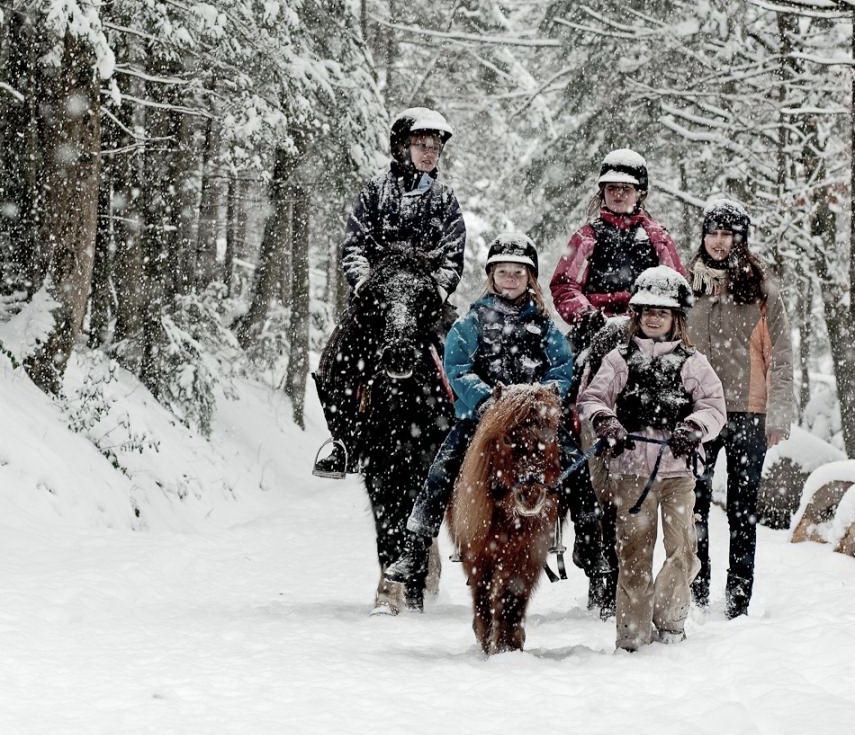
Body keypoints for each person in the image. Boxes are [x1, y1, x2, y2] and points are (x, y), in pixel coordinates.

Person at [383, 233, 579, 587]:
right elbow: (457, 368)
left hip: (534, 420)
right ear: (491, 276)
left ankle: (593, 543)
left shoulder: (544, 326)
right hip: (480, 419)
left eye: (518, 274)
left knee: (575, 463)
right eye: (503, 273)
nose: (511, 280)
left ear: (530, 279)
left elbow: (562, 369)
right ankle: (415, 546)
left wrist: (544, 398)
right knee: (441, 471)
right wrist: (486, 400)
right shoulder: (470, 324)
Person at [578, 266, 726, 652]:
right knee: (633, 553)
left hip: (678, 474)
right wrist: (606, 421)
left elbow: (714, 407)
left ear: (676, 317)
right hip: (630, 474)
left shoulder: (694, 363)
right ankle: (631, 633)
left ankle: (671, 618)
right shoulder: (618, 359)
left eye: (662, 312)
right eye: (646, 311)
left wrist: (694, 427)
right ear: (636, 315)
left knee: (683, 549)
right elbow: (592, 398)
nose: (654, 318)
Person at [312, 107, 466, 478]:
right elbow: (353, 247)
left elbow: (453, 256)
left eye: (435, 147)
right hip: (377, 301)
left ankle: (459, 441)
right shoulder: (375, 193)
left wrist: (439, 291)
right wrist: (364, 285)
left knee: (462, 355)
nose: (429, 152)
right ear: (402, 146)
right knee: (335, 361)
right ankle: (344, 442)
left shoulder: (445, 200)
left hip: (426, 302)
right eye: (421, 144)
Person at [686, 199, 795, 618]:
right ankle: (696, 590)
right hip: (698, 414)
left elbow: (781, 356)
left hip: (750, 413)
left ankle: (738, 598)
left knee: (741, 510)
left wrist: (778, 413)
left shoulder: (762, 291)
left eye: (727, 233)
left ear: (740, 239)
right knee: (693, 506)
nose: (719, 241)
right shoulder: (686, 286)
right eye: (713, 232)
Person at [550, 148, 686, 353]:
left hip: (647, 333)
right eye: (612, 188)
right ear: (602, 192)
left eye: (626, 189)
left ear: (640, 193)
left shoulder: (658, 238)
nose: (618, 194)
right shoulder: (586, 237)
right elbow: (564, 286)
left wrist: (648, 318)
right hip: (595, 332)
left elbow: (675, 286)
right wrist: (587, 315)